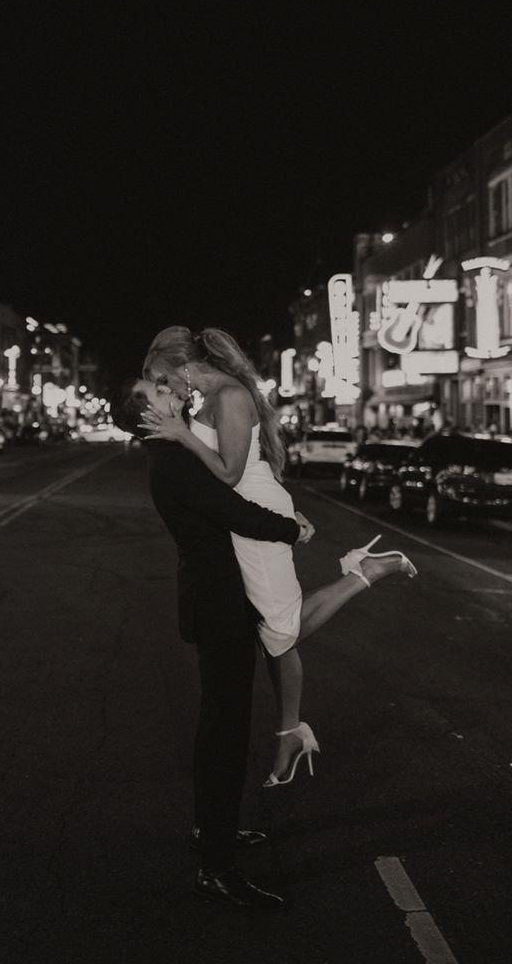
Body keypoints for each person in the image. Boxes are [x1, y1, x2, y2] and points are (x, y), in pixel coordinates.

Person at [113, 375, 415, 910]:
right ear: (147, 417)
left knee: (219, 727)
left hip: (216, 602)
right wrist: (291, 529)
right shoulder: (174, 460)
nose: (169, 390)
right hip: (219, 608)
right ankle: (217, 869)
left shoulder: (171, 455)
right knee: (225, 734)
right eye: (158, 393)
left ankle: (215, 834)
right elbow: (235, 512)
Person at [141, 326, 417, 788]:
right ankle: (289, 732)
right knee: (270, 631)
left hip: (252, 516)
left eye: (162, 379)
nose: (165, 390)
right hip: (245, 513)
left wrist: (181, 436)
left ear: (181, 366)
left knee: (282, 627)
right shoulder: (208, 399)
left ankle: (365, 572)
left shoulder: (228, 395)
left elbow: (229, 475)